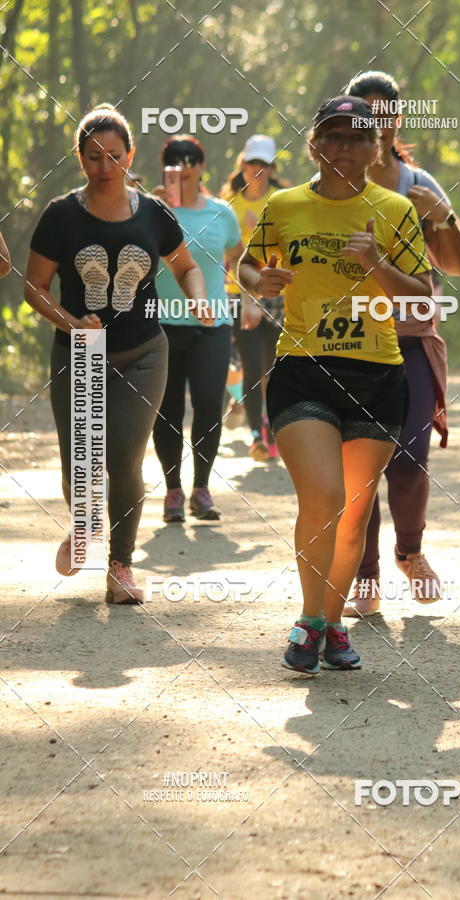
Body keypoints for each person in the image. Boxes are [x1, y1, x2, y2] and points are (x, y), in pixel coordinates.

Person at [238, 96, 432, 673]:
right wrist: (260, 280)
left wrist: (376, 262)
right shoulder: (284, 205)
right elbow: (247, 266)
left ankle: (334, 623)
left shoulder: (394, 209)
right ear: (315, 144)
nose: (344, 145)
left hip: (376, 373)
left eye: (357, 137)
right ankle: (310, 618)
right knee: (320, 496)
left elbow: (420, 293)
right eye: (333, 135)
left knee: (352, 511)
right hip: (304, 368)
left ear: (377, 150)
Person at [24, 104, 209, 603]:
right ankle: (83, 525)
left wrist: (197, 296)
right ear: (79, 158)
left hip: (144, 351)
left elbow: (187, 265)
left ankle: (121, 565)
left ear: (131, 155)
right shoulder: (61, 216)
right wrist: (71, 321)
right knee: (80, 463)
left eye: (113, 155)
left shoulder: (153, 213)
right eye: (92, 157)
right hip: (80, 353)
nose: (104, 167)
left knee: (124, 457)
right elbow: (35, 287)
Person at [343, 70, 460, 615]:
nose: (376, 123)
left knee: (409, 458)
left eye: (385, 113)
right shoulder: (334, 186)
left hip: (411, 340)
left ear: (396, 120)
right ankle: (365, 579)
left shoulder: (419, 184)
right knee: (359, 469)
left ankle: (410, 553)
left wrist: (441, 218)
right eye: (364, 114)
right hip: (348, 343)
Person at [151, 135, 244, 522]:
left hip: (211, 324)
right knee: (166, 410)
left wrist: (248, 297)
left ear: (203, 166)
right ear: (165, 167)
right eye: (175, 159)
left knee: (209, 401)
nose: (183, 165)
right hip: (161, 324)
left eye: (191, 159)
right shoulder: (150, 210)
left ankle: (201, 489)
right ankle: (173, 490)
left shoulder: (223, 213)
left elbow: (238, 256)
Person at [222, 135, 287, 461]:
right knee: (249, 366)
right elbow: (226, 249)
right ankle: (255, 437)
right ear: (243, 166)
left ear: (271, 168)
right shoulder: (230, 203)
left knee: (273, 368)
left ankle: (274, 433)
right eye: (252, 164)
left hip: (275, 292)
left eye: (263, 164)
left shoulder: (284, 200)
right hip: (238, 292)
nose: (257, 170)